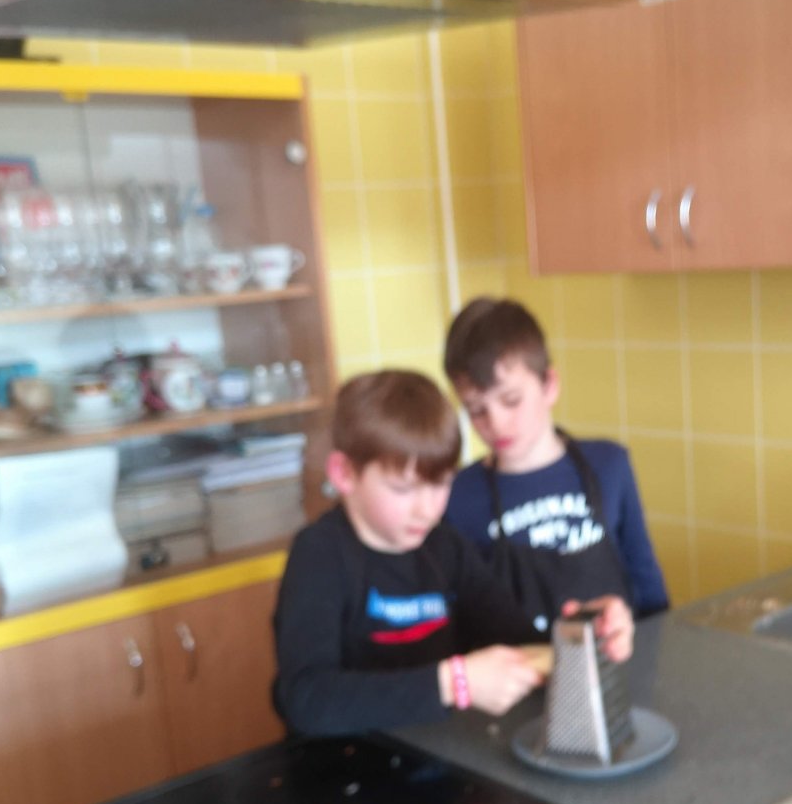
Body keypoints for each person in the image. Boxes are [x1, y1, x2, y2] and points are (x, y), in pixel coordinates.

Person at [273, 369, 631, 738]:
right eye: (403, 489)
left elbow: (518, 639)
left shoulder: (445, 547)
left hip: (438, 749)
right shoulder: (319, 554)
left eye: (441, 484)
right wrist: (453, 682)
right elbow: (307, 698)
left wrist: (585, 633)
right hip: (344, 761)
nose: (427, 510)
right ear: (344, 474)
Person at [443, 298, 668, 632]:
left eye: (511, 400)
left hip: (617, 660)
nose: (496, 422)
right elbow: (458, 623)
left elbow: (652, 598)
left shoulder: (610, 465)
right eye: (476, 410)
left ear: (549, 385)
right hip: (519, 665)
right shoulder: (458, 495)